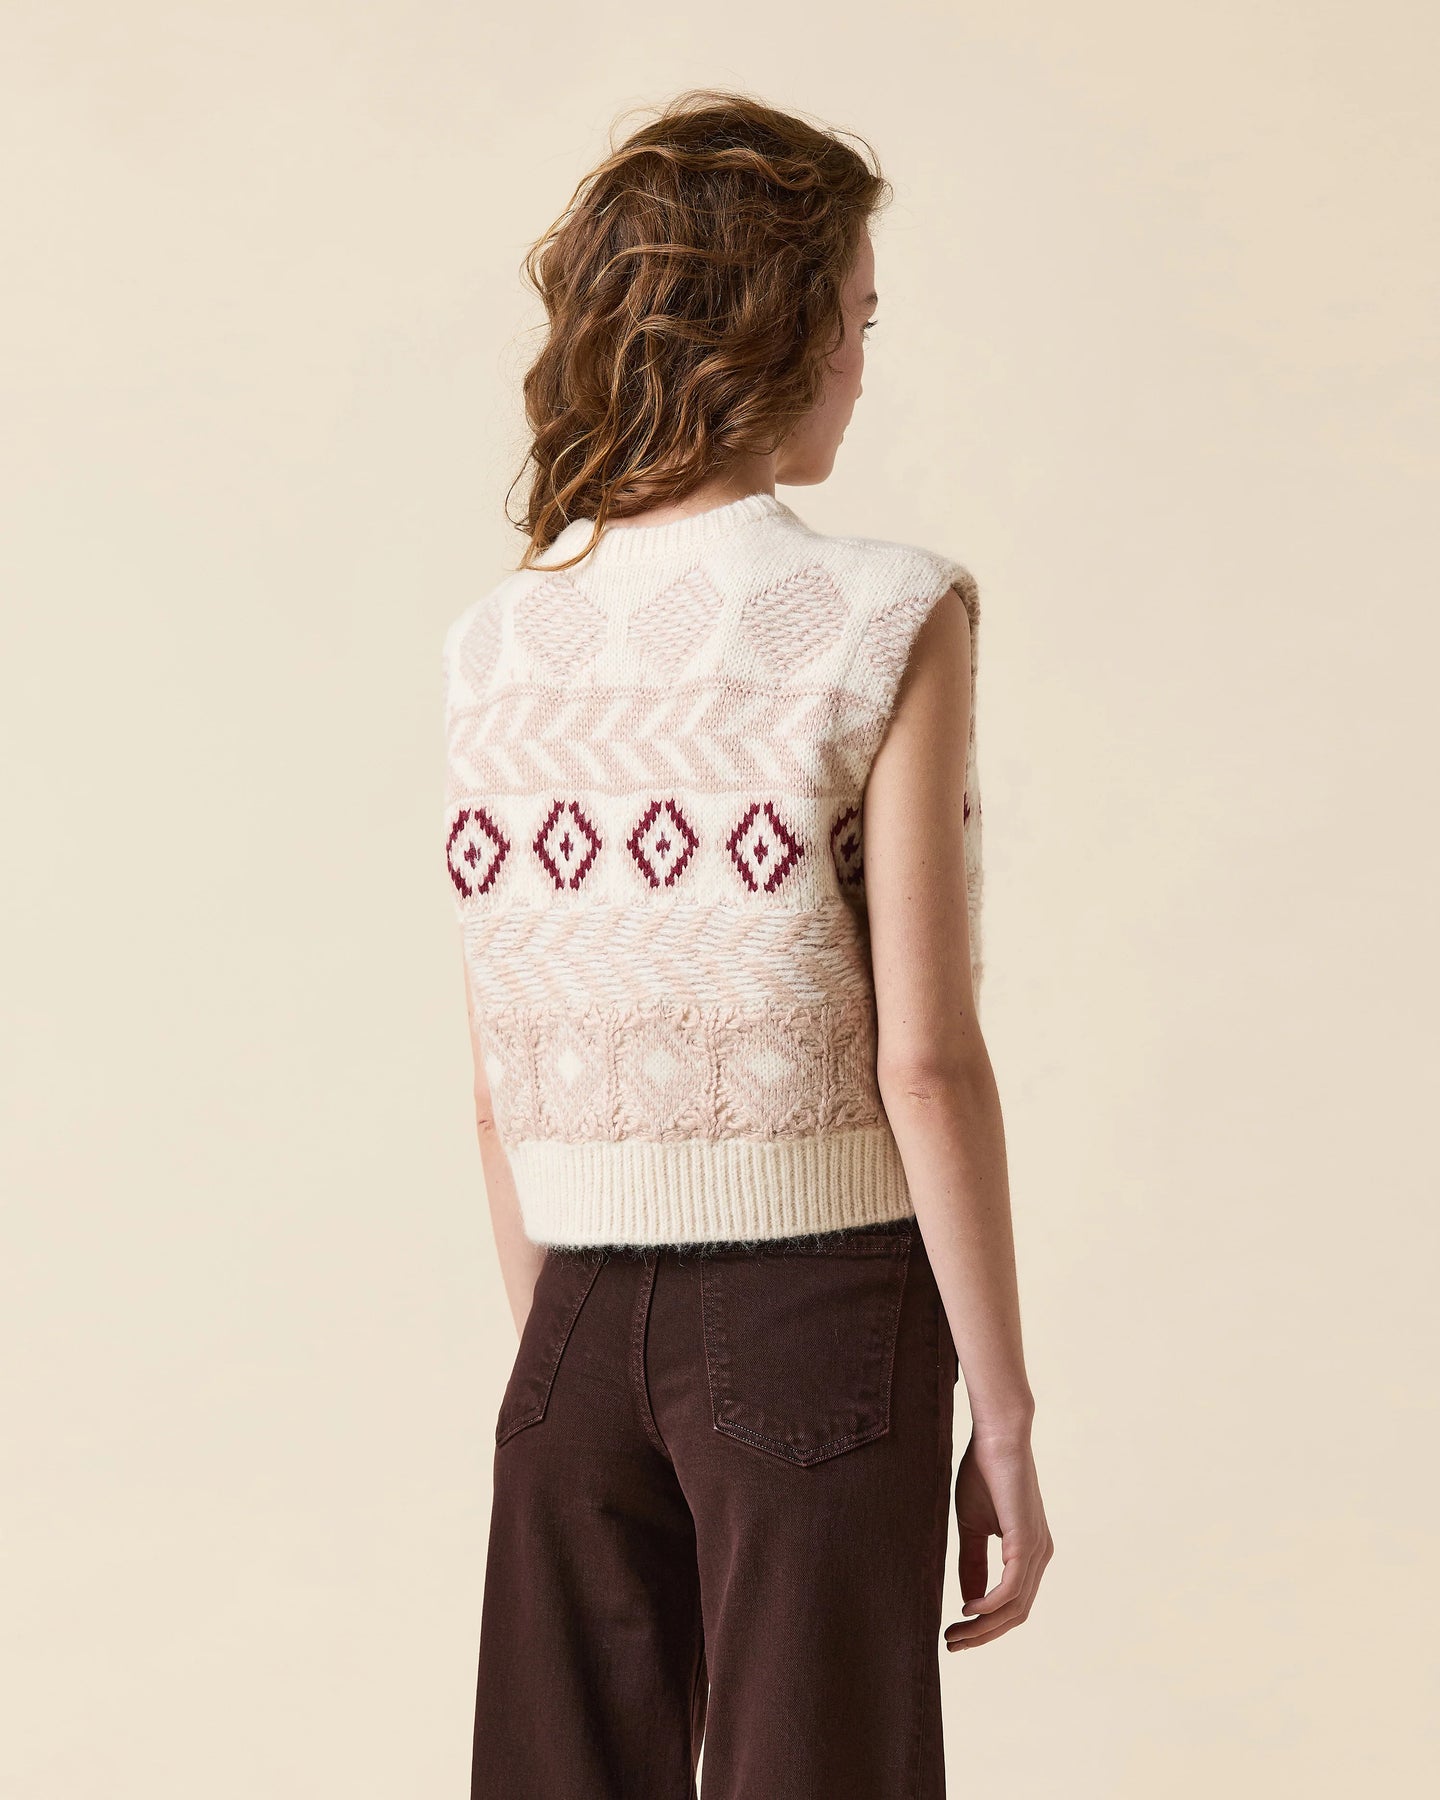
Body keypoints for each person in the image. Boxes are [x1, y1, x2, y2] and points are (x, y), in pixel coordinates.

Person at [440, 88, 1052, 1800]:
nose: (861, 364)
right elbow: (924, 1061)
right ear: (778, 333)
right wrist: (1005, 1419)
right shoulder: (889, 612)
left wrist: (573, 1355)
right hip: (823, 1306)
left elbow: (495, 1090)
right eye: (856, 319)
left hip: (567, 1317)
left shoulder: (497, 645)